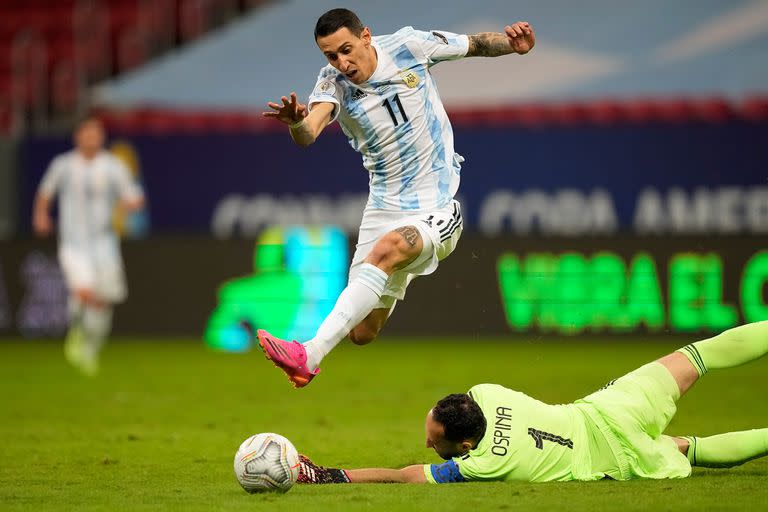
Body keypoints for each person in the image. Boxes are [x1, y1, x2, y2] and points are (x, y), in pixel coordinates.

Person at [258, 8, 536, 387]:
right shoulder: (332, 84)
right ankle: (394, 273)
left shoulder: (409, 46)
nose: (342, 62)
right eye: (331, 56)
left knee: (389, 249)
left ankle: (309, 354)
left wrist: (513, 45)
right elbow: (309, 132)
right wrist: (295, 123)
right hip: (383, 207)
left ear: (366, 36)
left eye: (346, 49)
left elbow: (475, 44)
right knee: (361, 332)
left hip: (436, 206)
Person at [293, 322, 768, 483]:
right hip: (611, 408)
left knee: (691, 448)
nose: (426, 441)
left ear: (462, 444)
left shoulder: (481, 467)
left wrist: (331, 474)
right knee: (696, 356)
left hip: (617, 458)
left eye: (433, 440)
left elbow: (403, 476)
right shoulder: (488, 392)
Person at [33, 116, 144, 375]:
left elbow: (134, 196)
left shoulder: (113, 166)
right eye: (87, 133)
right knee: (84, 292)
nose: (91, 138)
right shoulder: (63, 165)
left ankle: (90, 348)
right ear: (78, 136)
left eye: (96, 133)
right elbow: (45, 193)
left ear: (101, 137)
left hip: (105, 243)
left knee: (103, 301)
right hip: (73, 243)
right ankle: (76, 332)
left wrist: (131, 204)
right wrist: (40, 215)